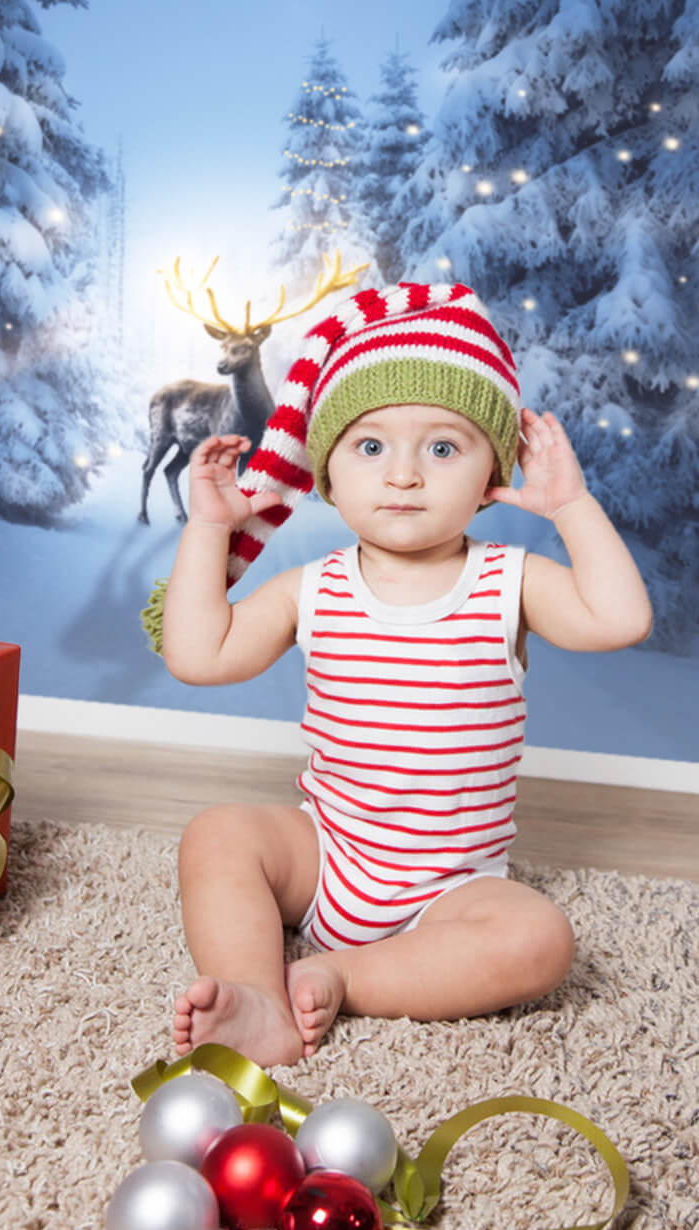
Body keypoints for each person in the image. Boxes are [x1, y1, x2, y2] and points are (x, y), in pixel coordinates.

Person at [161, 281, 653, 1068]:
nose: (403, 476)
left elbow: (620, 618)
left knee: (539, 940)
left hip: (454, 886)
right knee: (217, 834)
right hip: (326, 850)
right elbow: (197, 654)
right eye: (371, 446)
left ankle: (341, 976)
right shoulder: (313, 587)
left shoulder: (510, 582)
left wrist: (571, 508)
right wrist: (209, 529)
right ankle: (255, 993)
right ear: (327, 468)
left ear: (495, 467)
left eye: (443, 448)